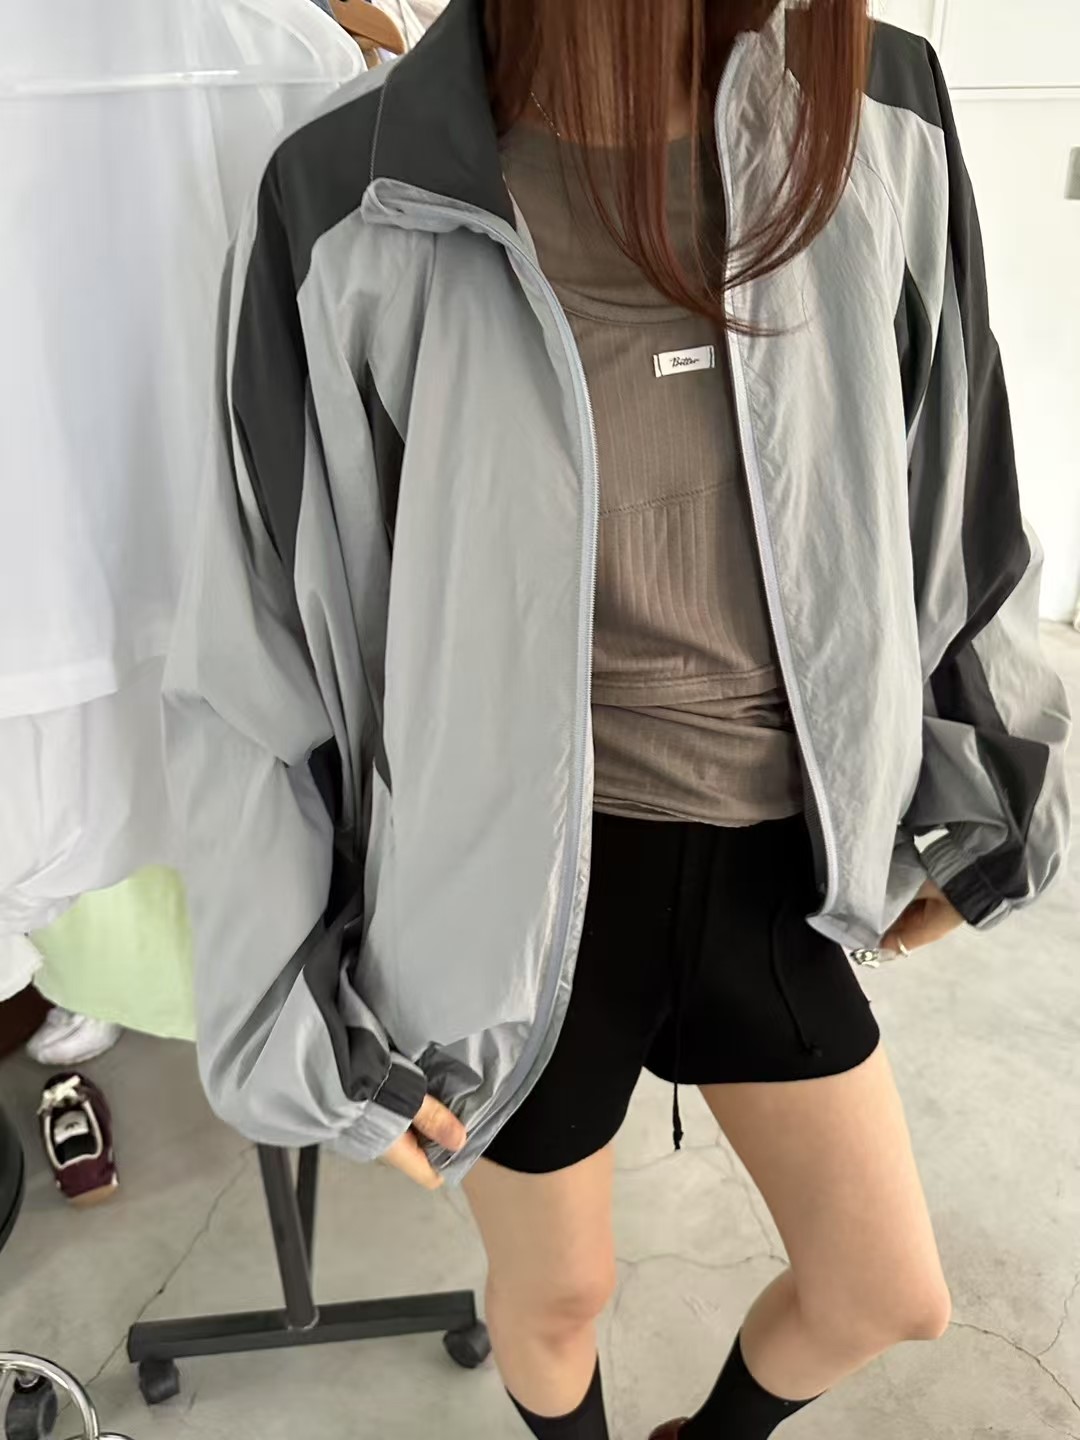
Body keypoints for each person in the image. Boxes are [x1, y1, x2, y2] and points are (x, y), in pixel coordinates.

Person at [164, 1, 1071, 1437]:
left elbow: (955, 473)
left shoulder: (878, 104)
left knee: (886, 1290)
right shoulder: (353, 190)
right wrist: (290, 1009)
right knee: (556, 1298)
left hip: (776, 850)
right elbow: (265, 644)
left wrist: (998, 787)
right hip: (510, 896)